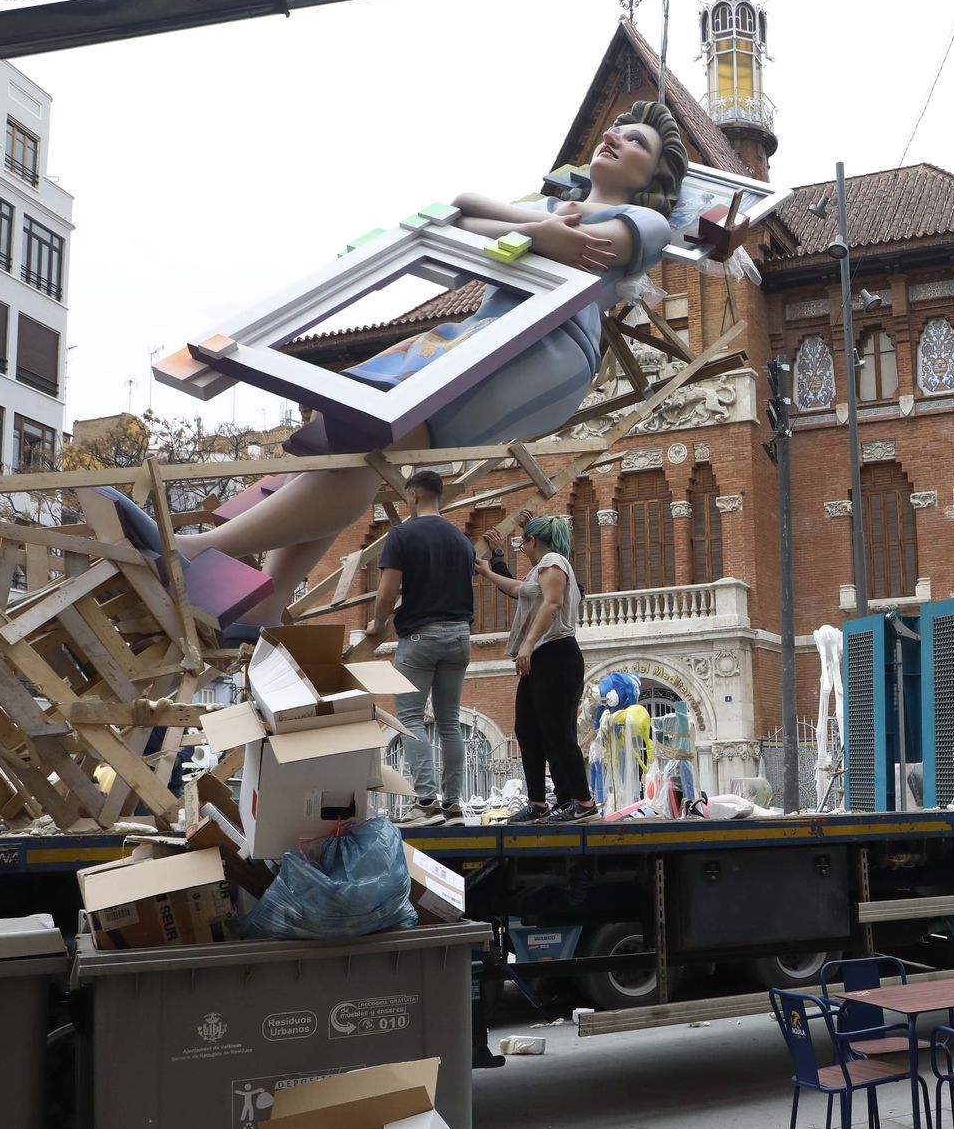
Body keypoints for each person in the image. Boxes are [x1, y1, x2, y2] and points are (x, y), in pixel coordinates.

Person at [163, 103, 687, 630]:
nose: (615, 137)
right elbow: (462, 207)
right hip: (477, 333)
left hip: (543, 350)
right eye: (615, 128)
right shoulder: (552, 204)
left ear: (651, 179)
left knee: (379, 440)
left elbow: (588, 248)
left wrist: (529, 230)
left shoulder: (647, 221)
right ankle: (265, 605)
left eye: (637, 142)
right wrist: (545, 225)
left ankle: (203, 550)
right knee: (346, 435)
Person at [369, 469, 476, 827]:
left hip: (420, 637)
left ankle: (426, 804)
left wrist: (378, 623)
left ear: (413, 496)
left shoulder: (402, 534)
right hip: (460, 636)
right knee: (449, 723)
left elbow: (387, 592)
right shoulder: (462, 541)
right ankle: (453, 807)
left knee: (410, 718)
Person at [480, 518, 596, 824]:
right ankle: (537, 802)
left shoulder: (553, 561)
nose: (522, 548)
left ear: (533, 541)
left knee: (558, 732)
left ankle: (583, 802)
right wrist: (489, 572)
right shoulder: (539, 569)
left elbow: (553, 603)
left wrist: (528, 644)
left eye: (521, 543)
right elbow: (519, 589)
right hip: (542, 658)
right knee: (527, 730)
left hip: (557, 654)